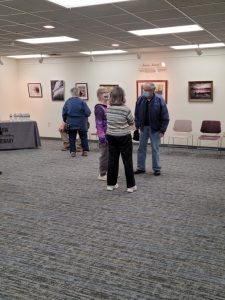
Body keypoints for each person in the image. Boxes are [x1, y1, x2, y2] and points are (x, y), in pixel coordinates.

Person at [134, 82, 169, 176]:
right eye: (143, 90)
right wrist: (137, 125)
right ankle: (140, 168)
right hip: (143, 128)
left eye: (146, 90)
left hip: (155, 129)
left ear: (153, 90)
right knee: (141, 148)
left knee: (155, 149)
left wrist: (162, 130)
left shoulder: (159, 99)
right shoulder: (140, 99)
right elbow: (136, 113)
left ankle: (156, 169)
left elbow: (165, 116)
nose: (144, 92)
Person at [106, 86, 136, 193]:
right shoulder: (126, 109)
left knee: (112, 160)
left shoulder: (108, 108)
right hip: (124, 137)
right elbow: (131, 122)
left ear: (111, 96)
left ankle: (110, 184)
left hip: (111, 135)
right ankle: (130, 186)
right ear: (122, 96)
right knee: (127, 161)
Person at [62, 87, 91, 157]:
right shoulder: (82, 102)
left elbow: (64, 113)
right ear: (78, 93)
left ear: (71, 93)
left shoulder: (68, 102)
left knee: (72, 137)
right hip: (81, 123)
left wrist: (65, 120)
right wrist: (83, 116)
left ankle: (73, 152)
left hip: (71, 123)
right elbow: (88, 112)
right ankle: (85, 151)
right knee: (83, 137)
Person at [94, 87, 109, 181]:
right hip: (104, 135)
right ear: (99, 95)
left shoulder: (108, 106)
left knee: (111, 155)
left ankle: (110, 171)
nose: (106, 94)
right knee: (104, 155)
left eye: (107, 92)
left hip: (111, 134)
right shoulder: (99, 107)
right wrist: (102, 137)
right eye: (104, 92)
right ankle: (102, 174)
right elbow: (98, 123)